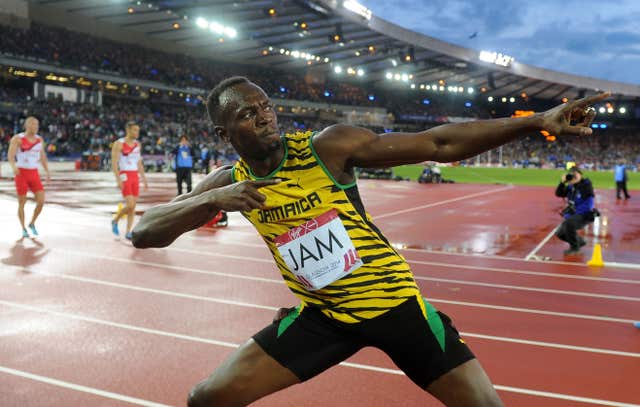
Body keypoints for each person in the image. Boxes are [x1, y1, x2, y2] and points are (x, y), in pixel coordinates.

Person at [131, 76, 607, 406]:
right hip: (324, 319)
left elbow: (438, 144)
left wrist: (535, 121)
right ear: (222, 132)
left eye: (266, 107)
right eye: (248, 115)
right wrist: (214, 200)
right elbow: (143, 233)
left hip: (398, 309)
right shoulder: (228, 181)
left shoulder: (327, 147)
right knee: (208, 399)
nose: (265, 118)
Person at [7, 116, 51, 238]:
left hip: (34, 173)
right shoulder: (18, 139)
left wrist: (47, 171)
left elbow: (42, 156)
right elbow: (10, 155)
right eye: (32, 125)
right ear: (27, 126)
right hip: (21, 173)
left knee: (41, 201)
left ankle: (32, 223)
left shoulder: (39, 140)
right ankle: (23, 228)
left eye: (37, 125)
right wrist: (13, 166)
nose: (35, 127)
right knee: (22, 202)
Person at [111, 121, 148, 240]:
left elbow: (139, 163)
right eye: (135, 130)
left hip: (134, 175)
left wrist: (144, 179)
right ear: (128, 130)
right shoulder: (119, 143)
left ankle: (128, 232)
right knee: (130, 204)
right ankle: (115, 219)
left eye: (138, 130)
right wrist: (118, 179)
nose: (137, 132)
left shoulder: (138, 144)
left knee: (133, 206)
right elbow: (114, 163)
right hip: (125, 175)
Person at [555, 167, 596, 255]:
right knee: (560, 233)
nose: (573, 176)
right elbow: (558, 194)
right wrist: (562, 182)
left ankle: (575, 248)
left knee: (568, 224)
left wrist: (576, 181)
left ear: (580, 174)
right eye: (571, 174)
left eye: (575, 174)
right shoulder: (571, 186)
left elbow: (587, 192)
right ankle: (580, 242)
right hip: (574, 213)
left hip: (585, 214)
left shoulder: (586, 184)